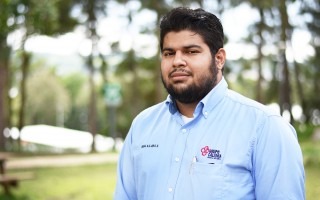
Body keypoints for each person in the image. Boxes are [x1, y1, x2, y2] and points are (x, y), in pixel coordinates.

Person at [114, 7, 305, 200]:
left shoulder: (265, 127)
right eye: (169, 53)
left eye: (191, 51)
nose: (177, 61)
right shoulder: (142, 126)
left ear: (219, 59)